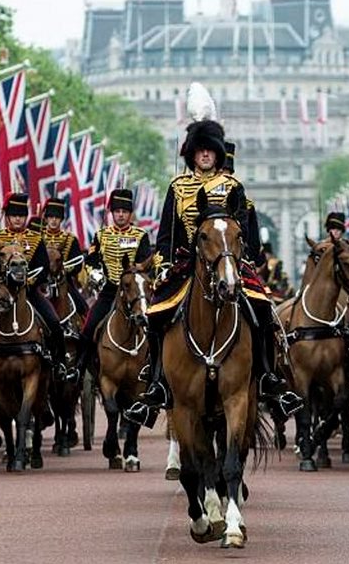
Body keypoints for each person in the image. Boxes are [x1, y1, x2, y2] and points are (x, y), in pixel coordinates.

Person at [124, 85, 302, 428]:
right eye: (200, 150)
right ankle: (155, 383)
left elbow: (245, 230)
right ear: (191, 154)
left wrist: (243, 258)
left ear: (218, 154)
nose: (205, 155)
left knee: (264, 311)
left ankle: (269, 379)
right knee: (156, 313)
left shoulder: (233, 187)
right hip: (187, 265)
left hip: (228, 263)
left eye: (210, 150)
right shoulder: (178, 187)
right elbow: (167, 232)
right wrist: (164, 264)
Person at [0, 192, 68, 380]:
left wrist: (30, 282)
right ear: (8, 216)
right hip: (3, 294)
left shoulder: (35, 238)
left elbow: (43, 268)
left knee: (54, 324)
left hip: (30, 293)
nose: (18, 219)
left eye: (21, 215)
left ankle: (58, 363)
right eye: (14, 215)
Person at [76, 188, 152, 380]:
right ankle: (79, 369)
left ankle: (154, 373)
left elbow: (145, 262)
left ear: (130, 214)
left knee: (155, 328)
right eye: (117, 211)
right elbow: (91, 260)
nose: (120, 215)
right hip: (109, 290)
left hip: (134, 292)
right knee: (88, 328)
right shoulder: (101, 235)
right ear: (111, 213)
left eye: (124, 211)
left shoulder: (141, 235)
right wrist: (95, 273)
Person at [40, 197, 88, 316]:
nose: (54, 220)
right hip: (42, 282)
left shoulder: (70, 239)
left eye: (57, 217)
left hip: (65, 282)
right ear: (46, 218)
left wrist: (64, 270)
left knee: (83, 307)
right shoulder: (38, 238)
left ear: (61, 219)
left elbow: (77, 264)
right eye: (51, 217)